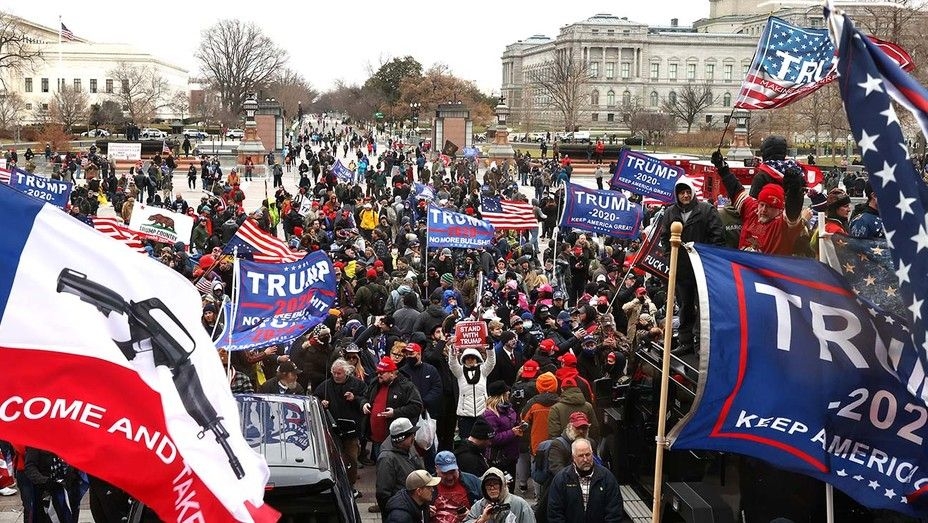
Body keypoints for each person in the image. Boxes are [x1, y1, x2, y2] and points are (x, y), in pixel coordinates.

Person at [661, 177, 725, 354]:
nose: (685, 195)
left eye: (688, 192)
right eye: (682, 193)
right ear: (677, 194)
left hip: (702, 269)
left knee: (702, 307)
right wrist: (669, 257)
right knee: (685, 306)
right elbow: (665, 237)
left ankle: (700, 345)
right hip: (681, 270)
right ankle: (686, 342)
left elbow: (717, 236)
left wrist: (708, 257)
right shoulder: (670, 213)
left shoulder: (706, 210)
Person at [712, 148, 806, 255]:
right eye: (762, 204)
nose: (764, 210)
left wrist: (794, 193)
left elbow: (792, 214)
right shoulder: (752, 210)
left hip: (767, 270)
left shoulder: (782, 225)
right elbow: (736, 191)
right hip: (743, 268)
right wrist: (722, 168)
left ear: (780, 210)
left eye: (770, 206)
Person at [314, 358, 367, 491]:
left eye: (339, 373)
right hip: (332, 430)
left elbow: (366, 399)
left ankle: (351, 485)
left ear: (346, 373)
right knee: (333, 459)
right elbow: (314, 399)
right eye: (334, 373)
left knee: (351, 459)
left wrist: (355, 399)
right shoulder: (325, 385)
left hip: (351, 430)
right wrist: (321, 403)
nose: (336, 376)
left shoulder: (357, 384)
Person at [547, 438, 625, 523]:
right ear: (573, 458)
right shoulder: (561, 479)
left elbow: (614, 512)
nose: (585, 459)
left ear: (592, 454)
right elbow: (555, 513)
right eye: (581, 456)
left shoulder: (607, 477)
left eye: (588, 455)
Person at [363, 356, 423, 459]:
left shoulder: (406, 386)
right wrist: (364, 404)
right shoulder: (375, 383)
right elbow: (364, 396)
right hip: (376, 438)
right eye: (378, 372)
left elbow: (416, 406)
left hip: (396, 439)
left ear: (392, 373)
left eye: (382, 373)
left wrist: (395, 413)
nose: (379, 375)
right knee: (381, 465)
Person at [375, 418, 425, 513]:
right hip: (402, 511)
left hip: (414, 507)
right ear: (402, 438)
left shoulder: (409, 448)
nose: (414, 437)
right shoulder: (387, 459)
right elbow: (383, 493)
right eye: (411, 435)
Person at [481, 381, 524, 490]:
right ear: (501, 394)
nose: (509, 393)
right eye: (506, 391)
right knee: (500, 489)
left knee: (510, 488)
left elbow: (513, 423)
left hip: (511, 456)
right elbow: (493, 438)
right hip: (498, 458)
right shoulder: (489, 414)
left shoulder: (509, 409)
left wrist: (520, 426)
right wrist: (512, 432)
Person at [449, 345, 496, 439]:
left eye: (473, 358)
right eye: (467, 358)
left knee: (482, 440)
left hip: (482, 413)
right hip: (465, 415)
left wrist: (490, 349)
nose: (470, 360)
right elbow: (452, 364)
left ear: (477, 359)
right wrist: (452, 352)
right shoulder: (460, 372)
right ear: (464, 359)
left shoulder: (483, 370)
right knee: (466, 442)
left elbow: (491, 362)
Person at [463, 467, 536, 523]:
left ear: (503, 485)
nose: (492, 488)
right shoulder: (478, 507)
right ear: (483, 488)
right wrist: (482, 520)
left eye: (496, 484)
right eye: (488, 485)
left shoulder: (520, 505)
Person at [433, 451, 482, 522]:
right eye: (445, 473)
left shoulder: (473, 481)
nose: (450, 477)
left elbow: (488, 506)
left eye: (453, 471)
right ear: (437, 469)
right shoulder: (428, 485)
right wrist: (425, 511)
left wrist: (472, 515)